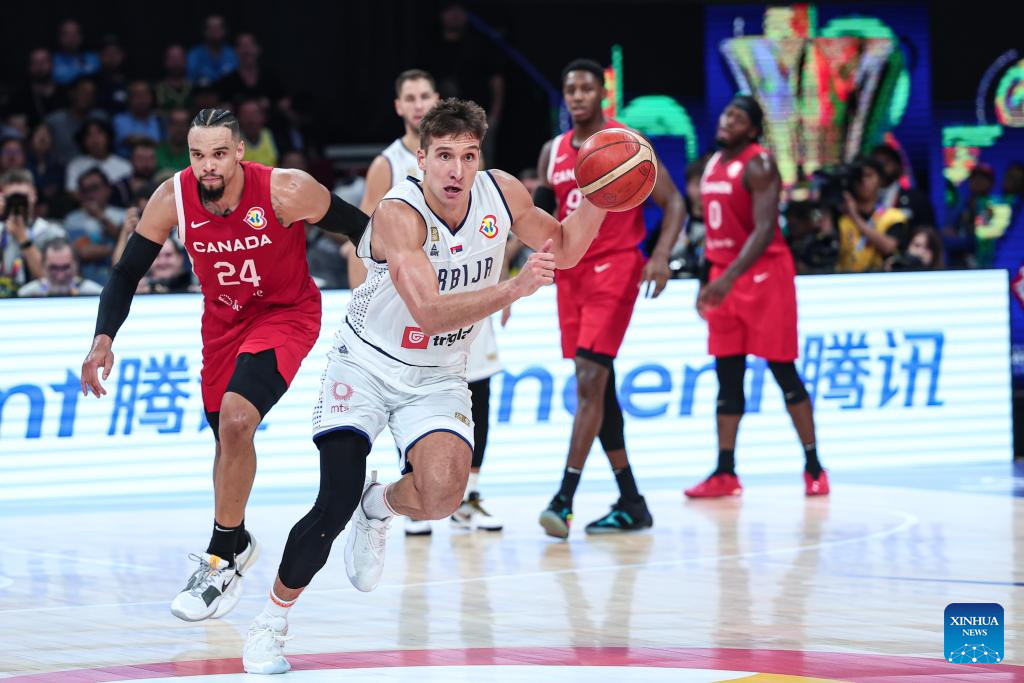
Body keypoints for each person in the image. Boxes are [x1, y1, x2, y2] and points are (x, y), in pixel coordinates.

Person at [241, 98, 612, 674]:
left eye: (468, 156)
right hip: (366, 365)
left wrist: (601, 196)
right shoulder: (399, 212)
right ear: (421, 158)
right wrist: (514, 288)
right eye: (444, 156)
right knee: (333, 498)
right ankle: (270, 623)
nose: (456, 170)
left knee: (443, 496)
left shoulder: (502, 193)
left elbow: (563, 246)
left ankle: (380, 505)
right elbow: (430, 313)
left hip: (438, 374)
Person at [79, 108, 369, 623]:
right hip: (222, 324)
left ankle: (221, 559)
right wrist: (102, 339)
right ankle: (236, 538)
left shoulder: (285, 189)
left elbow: (361, 230)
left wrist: (404, 285)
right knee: (227, 439)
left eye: (218, 154)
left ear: (239, 151)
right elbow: (125, 273)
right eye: (197, 155)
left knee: (237, 418)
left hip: (285, 314)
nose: (207, 165)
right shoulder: (172, 197)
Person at [534, 59, 685, 537]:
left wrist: (660, 256)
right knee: (598, 388)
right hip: (572, 274)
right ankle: (631, 501)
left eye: (586, 88)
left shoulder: (627, 143)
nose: (577, 96)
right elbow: (540, 218)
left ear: (602, 93)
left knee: (588, 379)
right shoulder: (552, 152)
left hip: (616, 268)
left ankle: (564, 499)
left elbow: (674, 202)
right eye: (570, 89)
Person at [354, 70, 503, 536]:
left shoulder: (463, 155)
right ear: (399, 106)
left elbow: (492, 222)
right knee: (408, 395)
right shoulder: (387, 164)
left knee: (477, 389)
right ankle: (413, 488)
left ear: (436, 99)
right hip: (412, 305)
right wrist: (364, 301)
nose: (418, 104)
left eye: (425, 96)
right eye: (410, 97)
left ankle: (468, 496)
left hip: (468, 291)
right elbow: (363, 240)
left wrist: (500, 284)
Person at [684, 95, 829, 499]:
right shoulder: (712, 163)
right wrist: (705, 282)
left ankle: (814, 466)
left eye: (737, 117)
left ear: (752, 128)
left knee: (783, 371)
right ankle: (725, 471)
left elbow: (765, 230)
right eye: (726, 113)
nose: (727, 120)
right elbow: (711, 232)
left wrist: (726, 279)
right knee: (727, 376)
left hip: (764, 276)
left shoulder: (759, 163)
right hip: (723, 276)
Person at [825, 156, 906, 273]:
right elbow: (826, 247)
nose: (863, 181)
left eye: (869, 175)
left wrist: (854, 216)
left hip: (881, 279)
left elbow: (889, 247)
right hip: (845, 279)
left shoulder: (893, 217)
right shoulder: (840, 217)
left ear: (881, 180)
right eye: (859, 177)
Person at [0, 168, 65, 297]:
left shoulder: (51, 232)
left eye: (22, 198)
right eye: (12, 198)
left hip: (40, 301)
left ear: (34, 195)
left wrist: (23, 239)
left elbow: (53, 278)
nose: (17, 203)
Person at [17, 236, 102, 296]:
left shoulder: (95, 294)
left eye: (66, 268)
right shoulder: (25, 295)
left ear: (76, 266)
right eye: (53, 268)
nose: (60, 276)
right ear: (43, 266)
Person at [188, 15, 238, 84]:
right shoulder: (194, 55)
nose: (215, 31)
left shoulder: (233, 53)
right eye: (212, 28)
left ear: (224, 31)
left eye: (218, 28)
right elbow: (189, 81)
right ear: (205, 31)